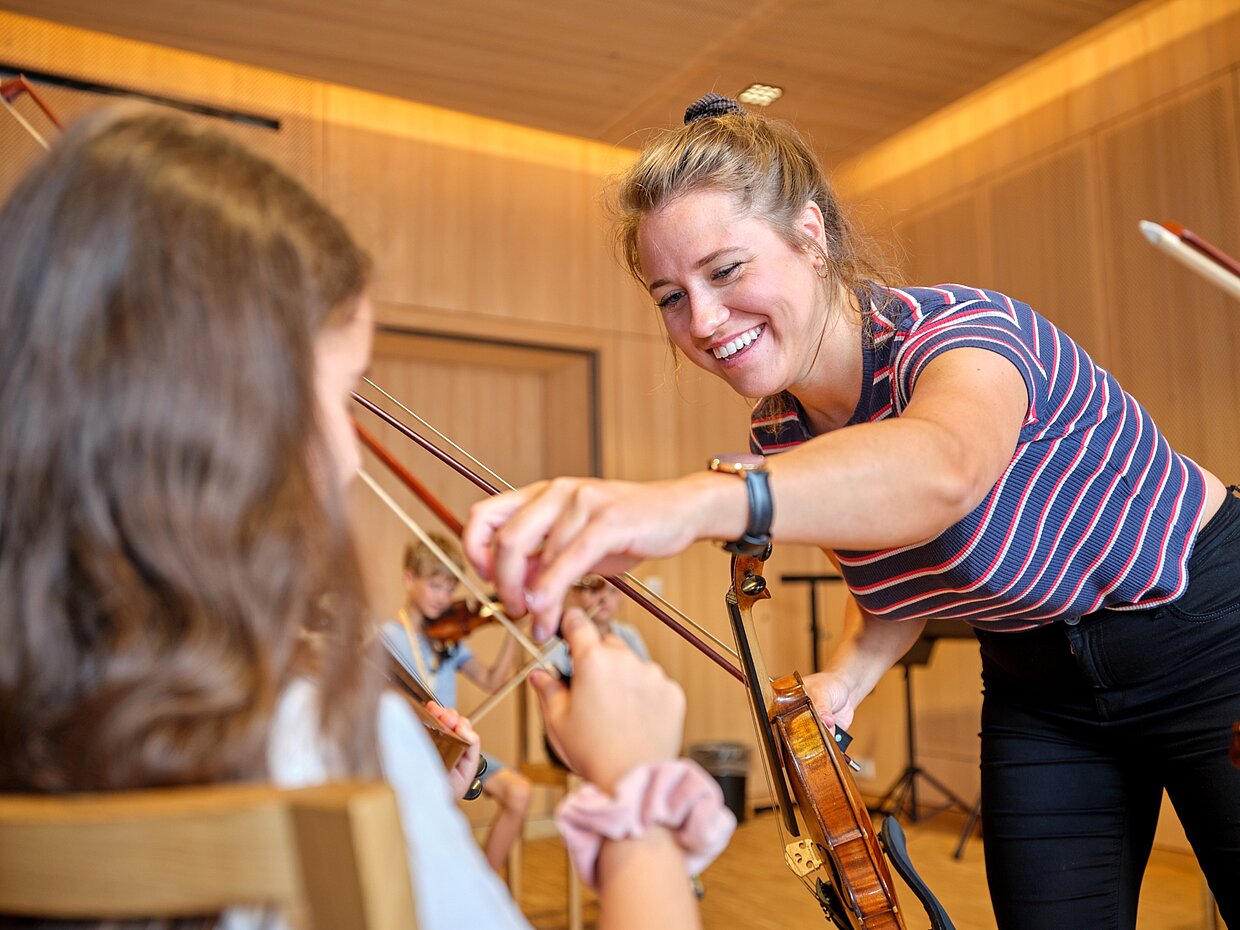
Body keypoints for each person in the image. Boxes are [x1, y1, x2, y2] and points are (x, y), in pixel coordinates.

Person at [463, 93, 1240, 930]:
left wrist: (691, 502)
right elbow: (897, 577)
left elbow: (940, 471)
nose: (703, 321)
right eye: (670, 297)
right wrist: (848, 679)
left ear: (811, 235)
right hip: (1037, 686)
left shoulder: (961, 333)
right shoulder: (782, 428)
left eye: (724, 272)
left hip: (1210, 634)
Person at [0, 107, 733, 930]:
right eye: (333, 398)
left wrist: (421, 825)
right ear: (220, 422)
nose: (351, 459)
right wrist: (634, 802)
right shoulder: (328, 747)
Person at [380, 534, 533, 872]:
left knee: (518, 793)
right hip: (416, 753)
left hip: (457, 751)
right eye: (435, 585)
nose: (444, 598)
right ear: (410, 578)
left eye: (450, 589)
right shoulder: (389, 638)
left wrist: (513, 632)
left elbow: (493, 681)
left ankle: (485, 880)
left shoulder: (450, 641)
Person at [549, 574, 651, 679]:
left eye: (612, 591)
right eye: (594, 591)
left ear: (621, 597)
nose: (604, 598)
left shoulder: (629, 635)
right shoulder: (562, 638)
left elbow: (647, 676)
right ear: (575, 595)